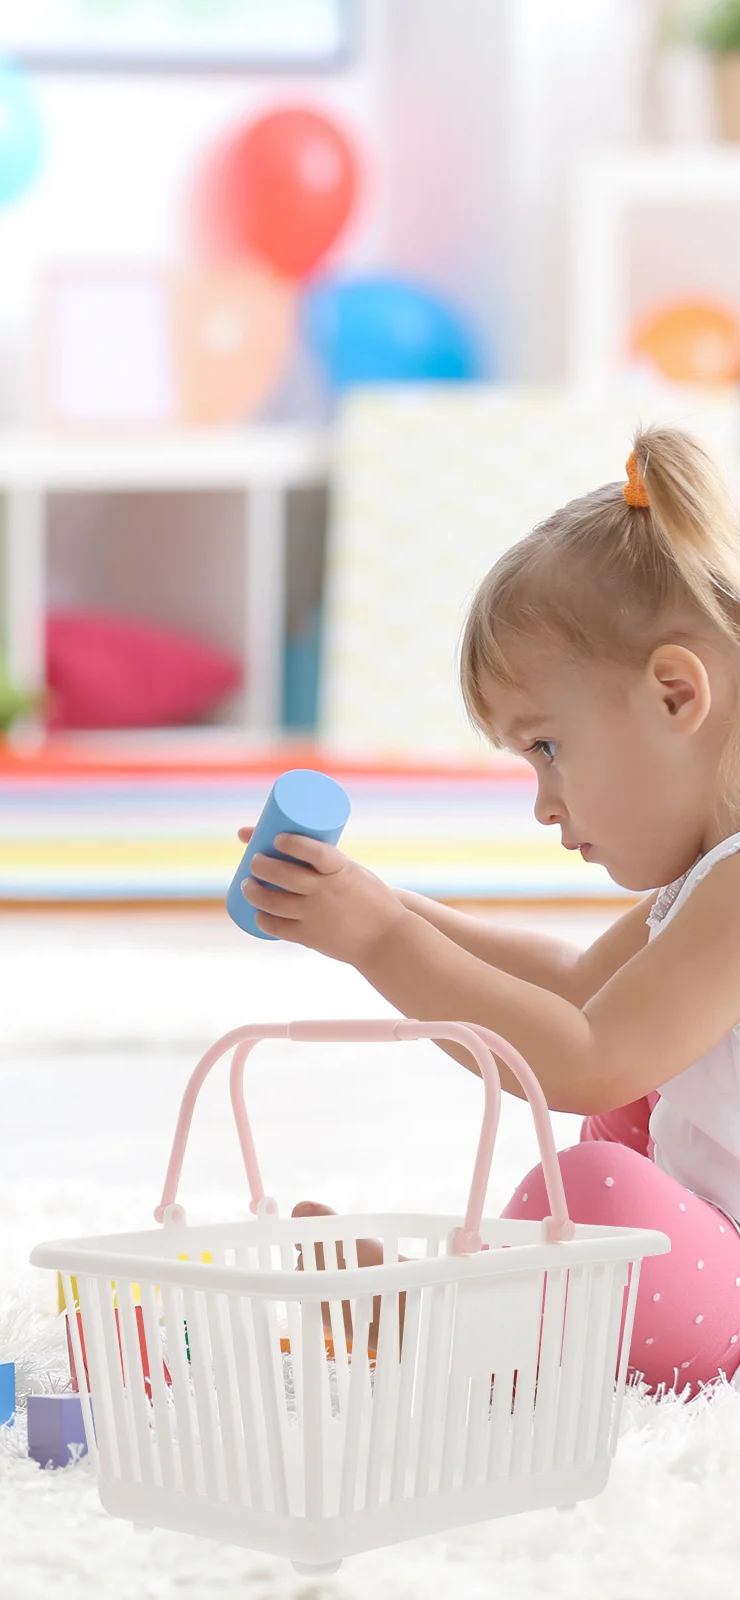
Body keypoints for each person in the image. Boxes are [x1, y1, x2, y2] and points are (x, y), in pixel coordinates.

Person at [241, 426, 740, 1393]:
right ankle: (485, 1300)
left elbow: (585, 1061)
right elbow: (573, 986)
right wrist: (383, 909)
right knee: (614, 1153)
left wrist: (381, 943)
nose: (543, 802)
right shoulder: (706, 877)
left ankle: (445, 1315)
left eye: (546, 747)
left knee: (598, 1188)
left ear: (676, 695)